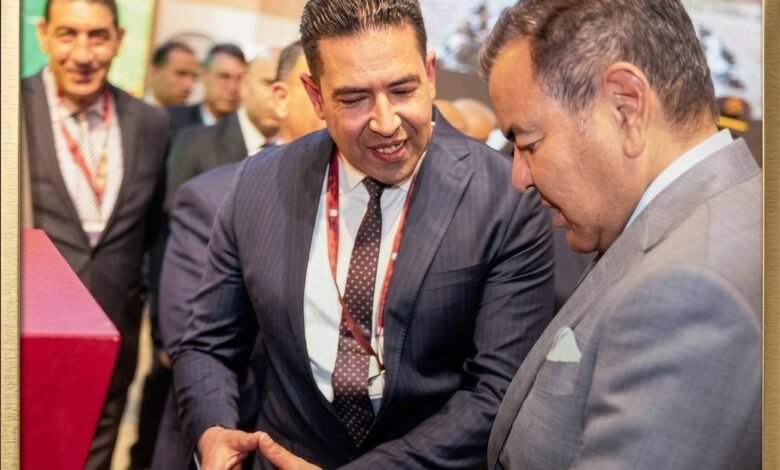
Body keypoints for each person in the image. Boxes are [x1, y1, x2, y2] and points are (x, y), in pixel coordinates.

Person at [171, 1, 555, 469]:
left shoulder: (504, 198)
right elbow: (207, 344)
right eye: (354, 99)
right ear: (316, 97)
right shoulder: (259, 184)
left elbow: (496, 390)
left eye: (402, 90)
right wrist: (211, 431)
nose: (386, 123)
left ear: (430, 74)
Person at [479, 0, 762, 468]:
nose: (519, 178)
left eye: (529, 144)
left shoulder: (690, 291)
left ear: (625, 106)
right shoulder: (730, 212)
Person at [150, 39, 326, 470]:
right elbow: (191, 337)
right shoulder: (214, 196)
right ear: (282, 97)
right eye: (320, 90)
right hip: (224, 434)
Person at [20, 0, 169, 468]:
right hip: (25, 338)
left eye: (98, 36)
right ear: (43, 35)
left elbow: (151, 235)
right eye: (68, 34)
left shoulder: (151, 124)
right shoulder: (11, 108)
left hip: (112, 341)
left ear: (119, 40)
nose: (83, 54)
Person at [164, 53, 280, 211]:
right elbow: (177, 210)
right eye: (269, 83)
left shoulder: (296, 149)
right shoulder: (194, 142)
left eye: (285, 87)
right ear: (245, 86)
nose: (279, 96)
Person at [167, 42, 247, 137]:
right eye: (224, 77)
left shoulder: (247, 131)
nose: (233, 87)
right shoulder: (172, 121)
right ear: (204, 75)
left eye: (240, 79)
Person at [145, 40, 199, 108]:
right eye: (181, 74)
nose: (189, 85)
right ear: (154, 72)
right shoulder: (134, 112)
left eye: (194, 76)